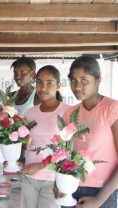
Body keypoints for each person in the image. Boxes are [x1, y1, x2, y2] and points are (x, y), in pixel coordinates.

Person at [56, 56, 118, 208]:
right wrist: (57, 184)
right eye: (73, 80)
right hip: (70, 187)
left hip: (102, 191)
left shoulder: (112, 109)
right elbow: (64, 153)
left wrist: (99, 200)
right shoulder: (70, 113)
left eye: (84, 80)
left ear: (98, 81)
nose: (77, 86)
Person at [20, 65, 70, 208]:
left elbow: (68, 150)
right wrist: (20, 158)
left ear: (58, 85)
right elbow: (25, 138)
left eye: (49, 83)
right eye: (40, 82)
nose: (43, 87)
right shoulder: (30, 113)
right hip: (29, 174)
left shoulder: (67, 112)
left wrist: (40, 166)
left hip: (52, 178)